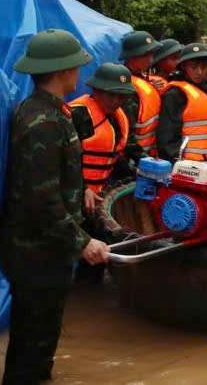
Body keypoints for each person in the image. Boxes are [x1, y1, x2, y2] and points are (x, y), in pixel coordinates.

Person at [0, 30, 109, 385]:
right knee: (32, 344)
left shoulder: (50, 113)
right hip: (36, 253)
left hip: (46, 250)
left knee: (41, 339)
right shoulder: (42, 123)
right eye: (75, 66)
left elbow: (56, 182)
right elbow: (42, 198)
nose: (78, 73)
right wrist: (82, 241)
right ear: (63, 71)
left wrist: (83, 192)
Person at [68, 62, 137, 285]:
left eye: (121, 97)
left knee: (95, 264)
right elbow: (60, 161)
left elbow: (121, 154)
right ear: (96, 90)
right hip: (73, 198)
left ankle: (90, 293)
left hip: (97, 200)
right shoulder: (78, 115)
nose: (116, 101)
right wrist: (82, 188)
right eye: (111, 95)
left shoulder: (119, 117)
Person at [157, 43, 207, 164]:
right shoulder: (175, 94)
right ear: (184, 66)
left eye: (204, 67)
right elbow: (166, 139)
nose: (199, 72)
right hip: (188, 167)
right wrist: (179, 166)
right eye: (194, 67)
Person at [119, 30, 162, 158]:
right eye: (145, 55)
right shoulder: (127, 87)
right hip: (134, 159)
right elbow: (126, 133)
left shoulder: (142, 80)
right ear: (132, 57)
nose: (151, 59)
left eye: (151, 54)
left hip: (147, 155)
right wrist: (142, 159)